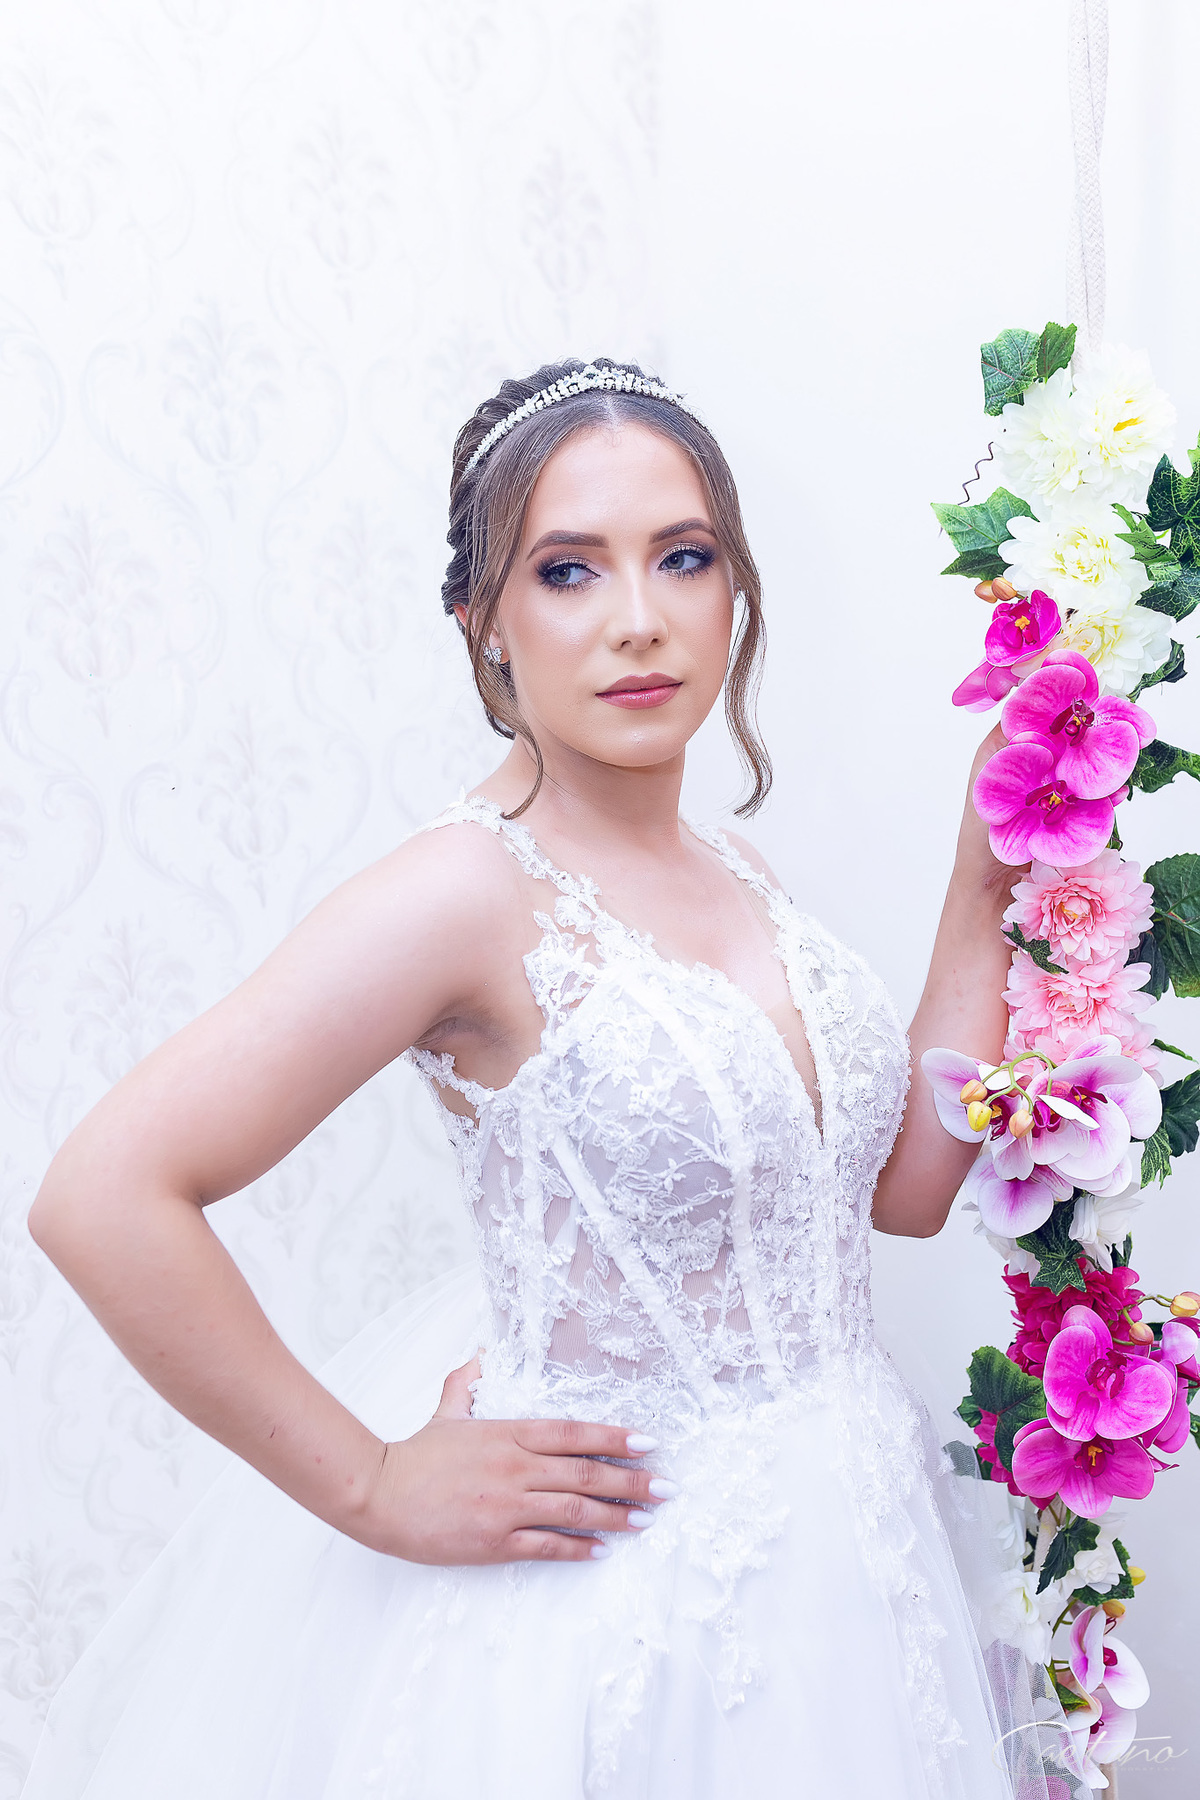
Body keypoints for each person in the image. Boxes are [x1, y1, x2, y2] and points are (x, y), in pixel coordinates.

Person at [22, 359, 1088, 1799]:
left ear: (736, 591)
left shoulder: (736, 873)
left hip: (849, 1561)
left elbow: (896, 1195)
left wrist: (985, 876)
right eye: (569, 570)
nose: (639, 618)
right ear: (486, 622)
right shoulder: (461, 894)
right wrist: (372, 1484)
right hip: (627, 1605)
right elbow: (104, 1194)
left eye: (684, 557)